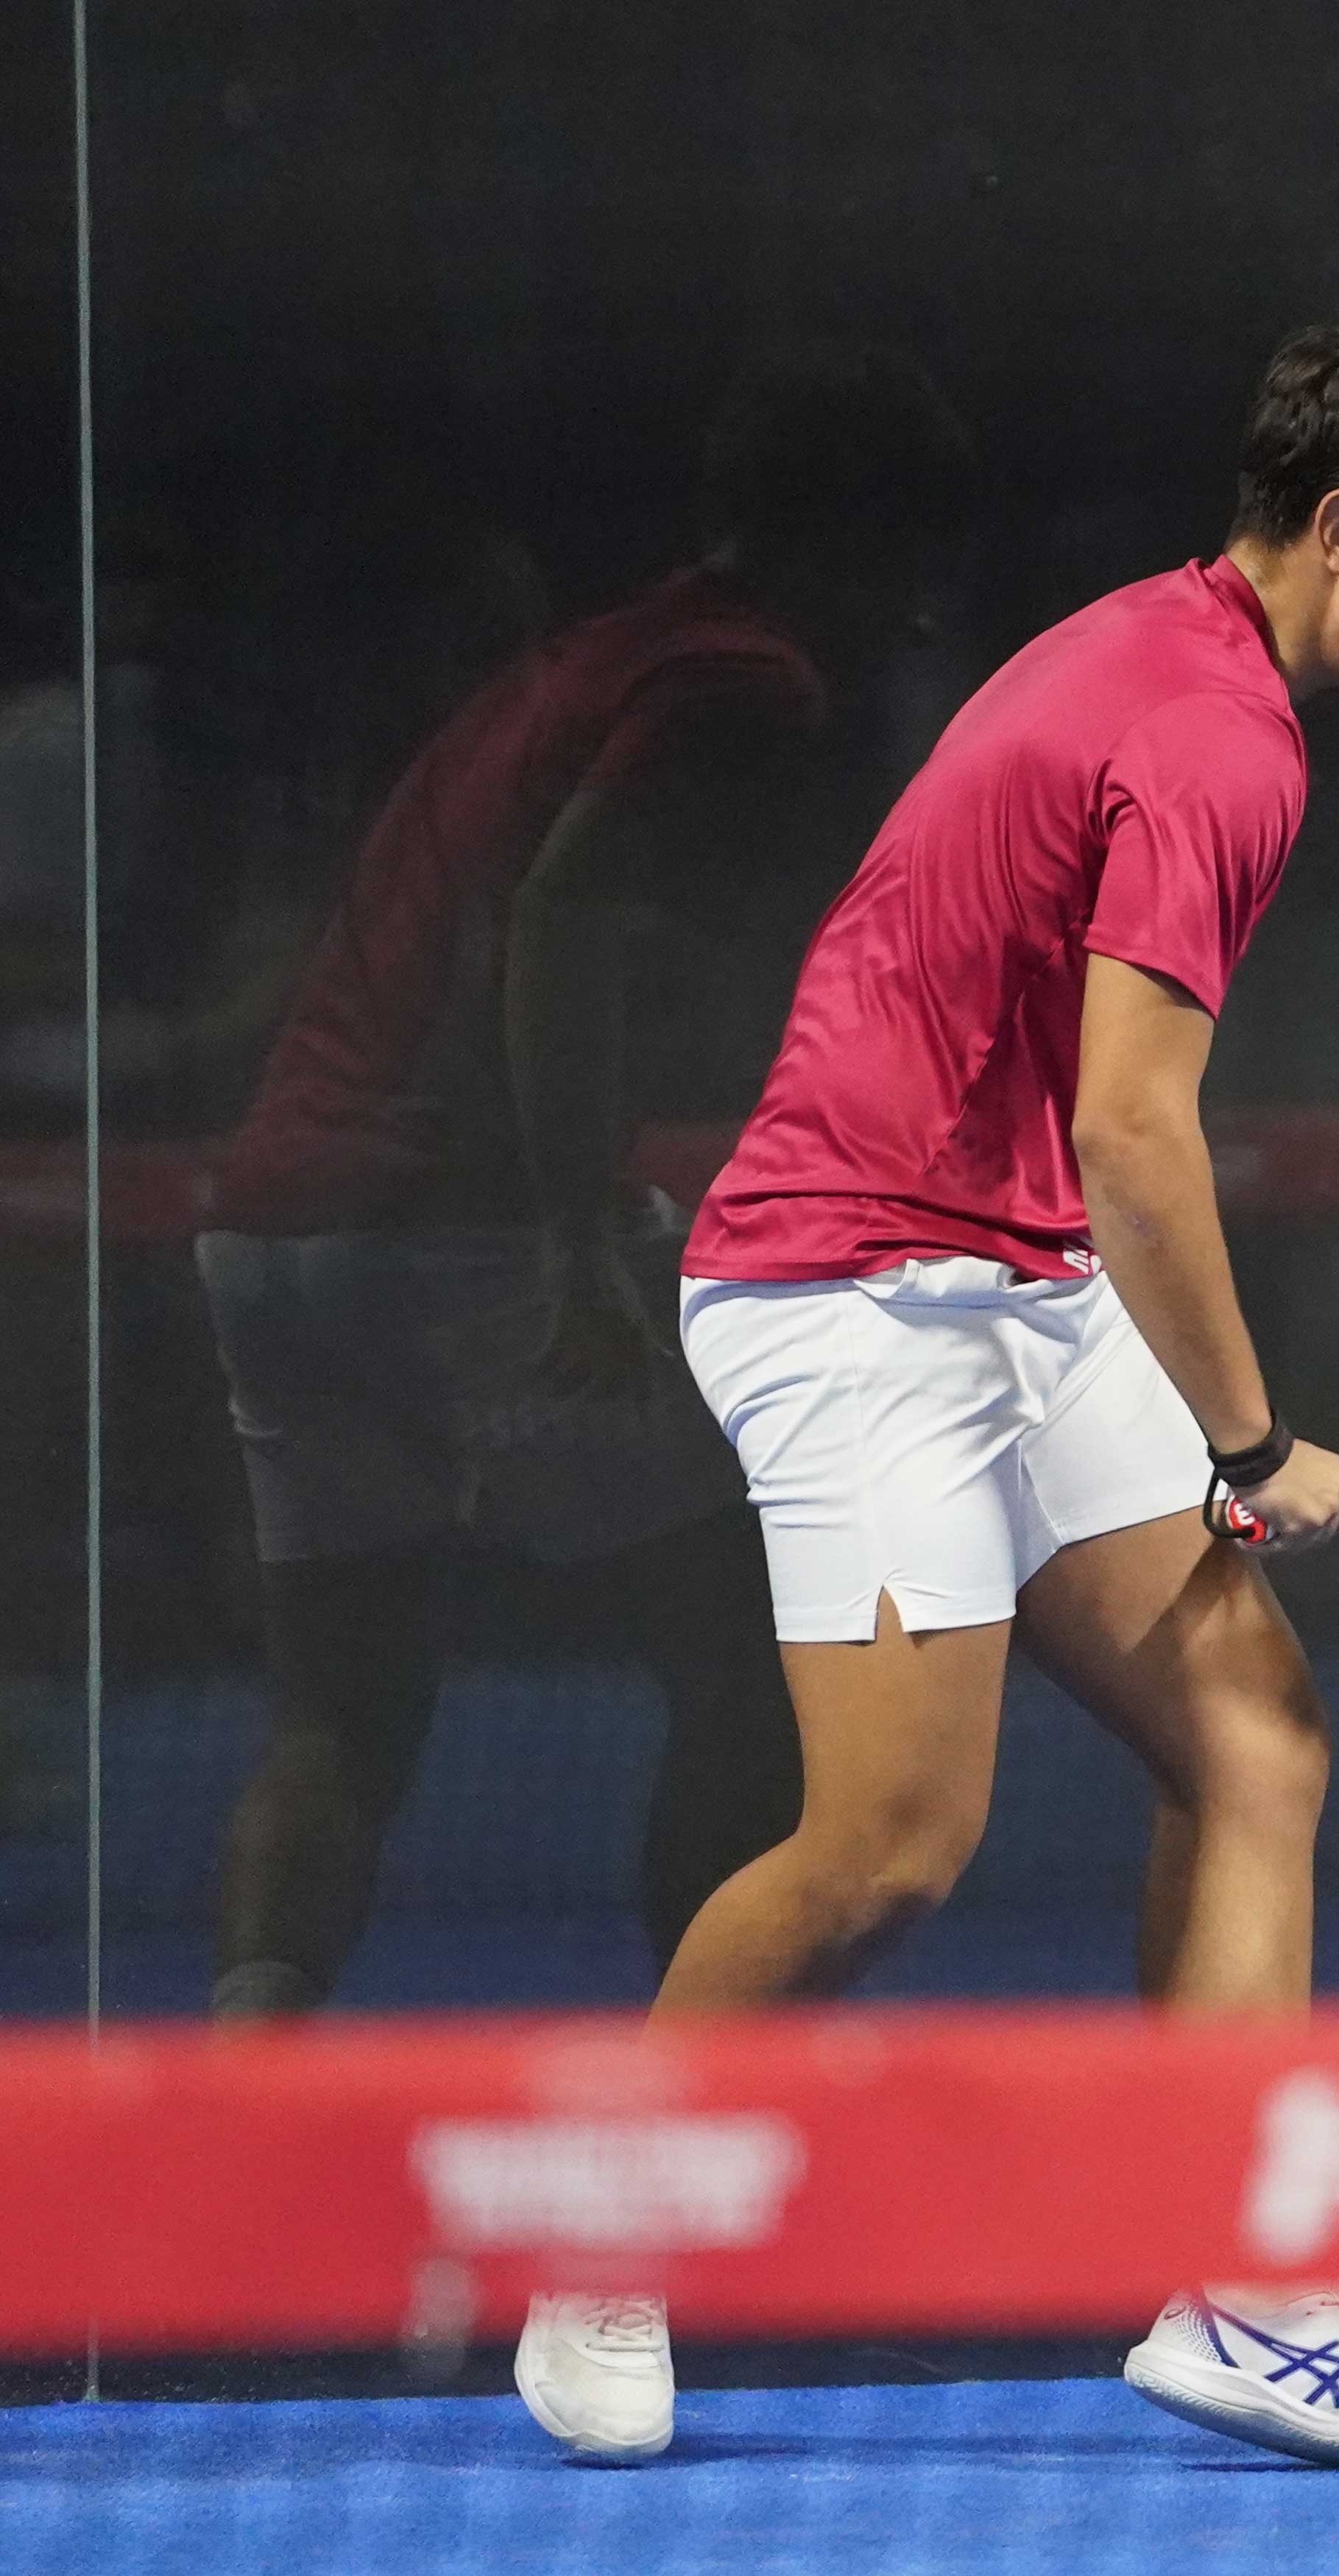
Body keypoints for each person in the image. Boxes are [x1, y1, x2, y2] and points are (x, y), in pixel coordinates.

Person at [509, 308, 1339, 2473]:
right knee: (892, 1842)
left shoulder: (1174, 650)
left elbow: (1088, 1152)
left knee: (1253, 1737)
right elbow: (1138, 1130)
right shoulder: (1221, 740)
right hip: (849, 1287)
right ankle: (597, 2235)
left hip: (1013, 1267)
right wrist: (1255, 1447)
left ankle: (1244, 2287)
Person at [191, 345, 977, 2014]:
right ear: (858, 538)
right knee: (762, 1662)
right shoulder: (739, 681)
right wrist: (581, 1242)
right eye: (910, 557)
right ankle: (709, 2102)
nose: (913, 608)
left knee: (339, 1716)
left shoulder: (588, 662)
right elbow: (566, 915)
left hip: (271, 1234)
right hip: (468, 1237)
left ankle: (238, 2095)